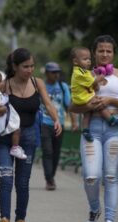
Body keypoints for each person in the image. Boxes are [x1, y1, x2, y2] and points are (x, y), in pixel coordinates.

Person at [69, 35, 118, 222]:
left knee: (110, 176)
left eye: (108, 51)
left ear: (113, 53)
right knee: (91, 176)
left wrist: (109, 100)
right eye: (101, 51)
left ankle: (110, 221)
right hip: (93, 129)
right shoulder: (84, 73)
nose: (105, 54)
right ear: (94, 53)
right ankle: (94, 208)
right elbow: (72, 105)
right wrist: (89, 105)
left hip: (115, 129)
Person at [0, 48, 62, 222]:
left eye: (32, 66)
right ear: (15, 67)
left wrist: (56, 120)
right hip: (4, 139)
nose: (30, 70)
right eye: (25, 67)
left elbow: (47, 103)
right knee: (6, 180)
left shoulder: (37, 83)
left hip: (28, 137)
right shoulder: (4, 86)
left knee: (22, 183)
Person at [70, 47, 118, 142]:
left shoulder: (84, 71)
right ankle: (110, 119)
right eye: (85, 59)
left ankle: (85, 130)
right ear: (76, 62)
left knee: (87, 112)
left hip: (82, 96)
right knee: (99, 102)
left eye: (89, 59)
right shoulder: (79, 73)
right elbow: (94, 82)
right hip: (82, 97)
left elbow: (94, 85)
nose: (88, 61)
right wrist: (102, 76)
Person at [40, 62, 77, 190]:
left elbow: (69, 106)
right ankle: (49, 179)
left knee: (56, 152)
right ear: (46, 73)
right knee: (48, 151)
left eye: (58, 72)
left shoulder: (63, 86)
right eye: (53, 72)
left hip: (58, 124)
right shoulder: (41, 86)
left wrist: (74, 122)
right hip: (44, 123)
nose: (56, 75)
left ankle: (51, 176)